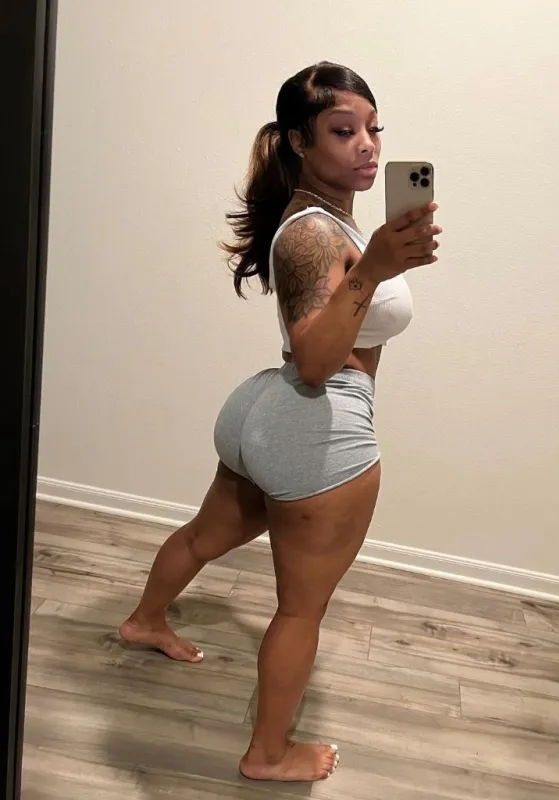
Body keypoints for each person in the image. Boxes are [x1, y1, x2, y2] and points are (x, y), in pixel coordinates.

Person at [119, 61, 442, 783]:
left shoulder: (322, 219)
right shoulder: (311, 235)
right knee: (300, 609)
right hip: (317, 429)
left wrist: (377, 261)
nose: (367, 144)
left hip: (265, 415)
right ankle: (268, 754)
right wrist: (373, 269)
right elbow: (318, 362)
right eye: (343, 130)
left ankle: (143, 621)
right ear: (299, 140)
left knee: (202, 537)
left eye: (373, 128)